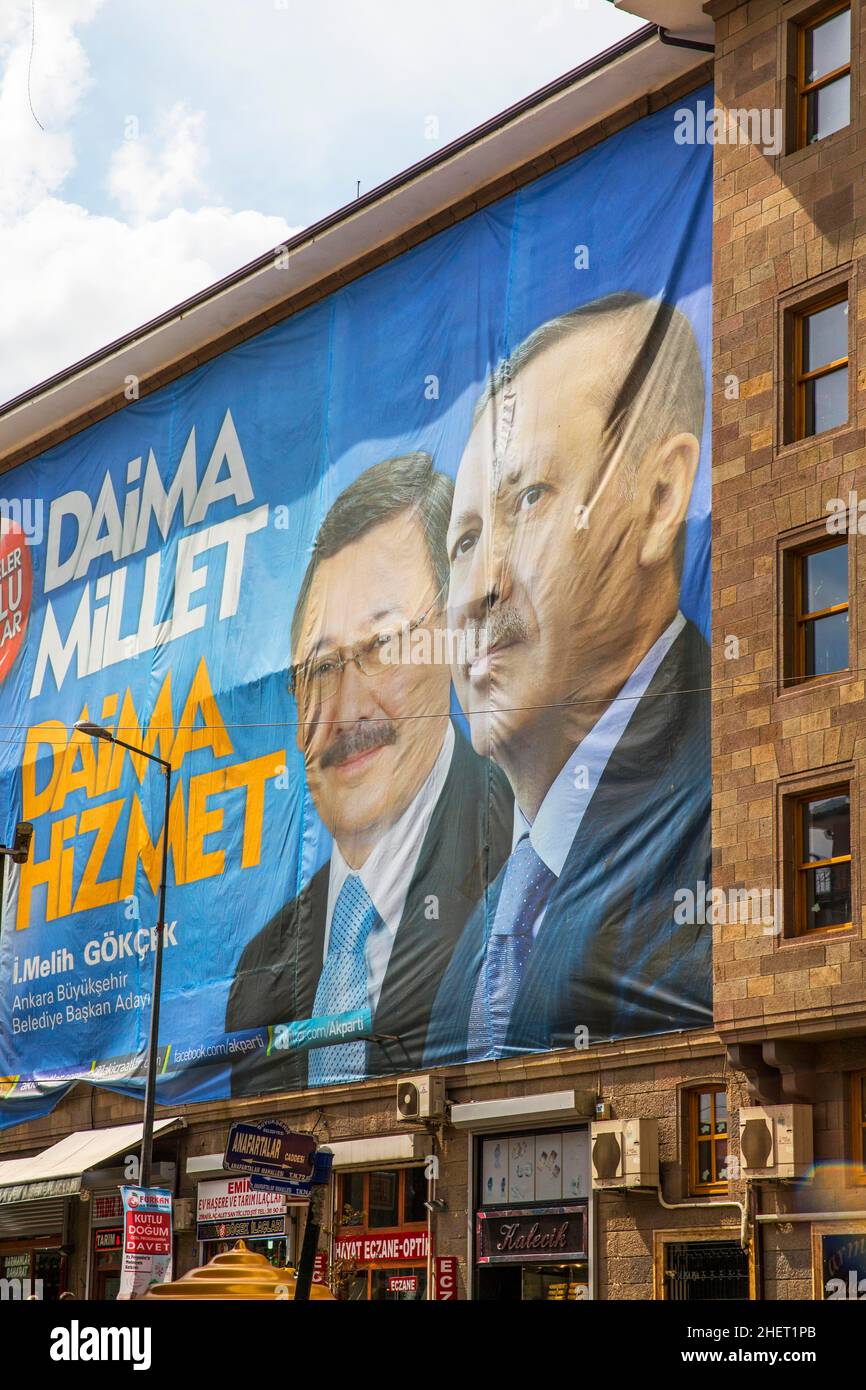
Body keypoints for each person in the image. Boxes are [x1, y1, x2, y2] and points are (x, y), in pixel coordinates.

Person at [425, 292, 712, 1066]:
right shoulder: (470, 954)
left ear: (659, 501)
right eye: (464, 540)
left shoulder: (737, 815)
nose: (480, 587)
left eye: (529, 500)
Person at [226, 453, 512, 1092]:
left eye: (383, 648)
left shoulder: (524, 860)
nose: (346, 710)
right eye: (320, 669)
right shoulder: (259, 975)